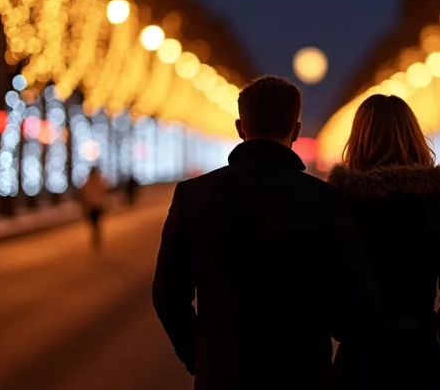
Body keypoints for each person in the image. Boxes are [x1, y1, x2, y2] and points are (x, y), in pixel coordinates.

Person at [152, 76, 376, 390]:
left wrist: (201, 356)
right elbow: (352, 299)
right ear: (295, 131)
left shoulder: (194, 195)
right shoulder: (325, 200)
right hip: (303, 372)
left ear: (241, 127)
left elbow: (168, 296)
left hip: (223, 374)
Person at [328, 94, 440, 390]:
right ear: (414, 138)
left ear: (358, 140)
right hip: (420, 360)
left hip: (359, 361)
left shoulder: (341, 208)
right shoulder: (439, 208)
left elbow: (330, 298)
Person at [80, 167, 108, 251]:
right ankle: (96, 236)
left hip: (93, 206)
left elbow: (84, 193)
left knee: (95, 223)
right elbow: (104, 192)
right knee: (96, 223)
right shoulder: (98, 181)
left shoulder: (89, 182)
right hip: (95, 205)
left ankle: (95, 236)